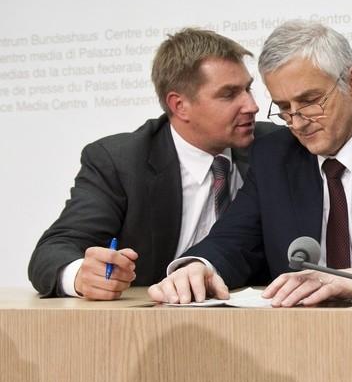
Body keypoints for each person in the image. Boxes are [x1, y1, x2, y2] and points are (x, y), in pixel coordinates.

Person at [148, 20, 352, 307]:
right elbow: (233, 240)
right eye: (283, 107)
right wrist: (201, 265)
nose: (297, 122)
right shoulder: (274, 155)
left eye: (309, 101)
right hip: (301, 342)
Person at [28, 28, 276, 300]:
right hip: (150, 323)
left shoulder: (274, 147)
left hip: (254, 323)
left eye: (248, 88)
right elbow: (53, 250)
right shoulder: (121, 162)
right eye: (229, 94)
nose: (251, 105)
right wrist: (80, 276)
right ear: (179, 105)